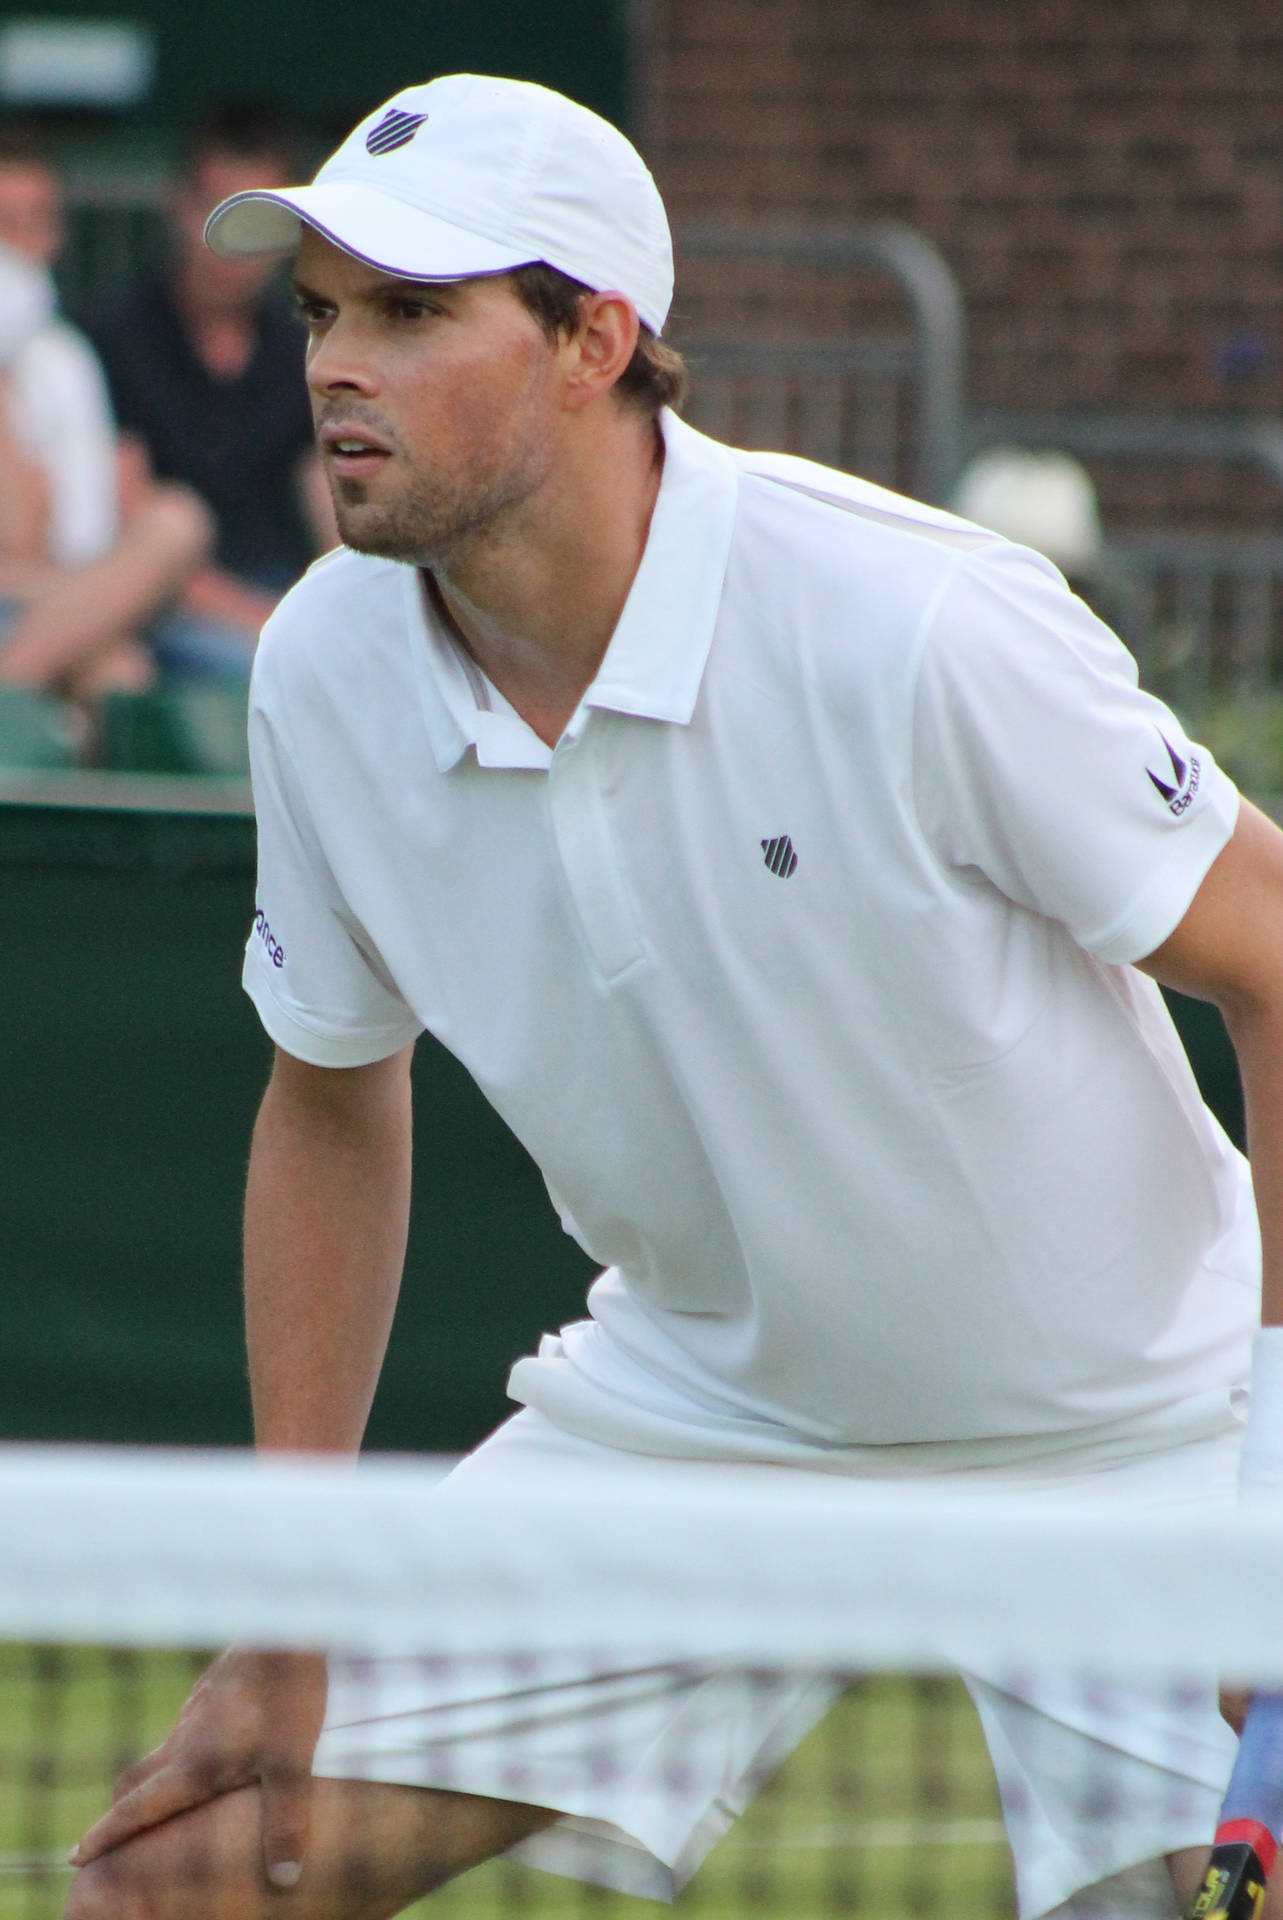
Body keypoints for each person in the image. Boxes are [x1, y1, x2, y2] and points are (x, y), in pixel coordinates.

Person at [62, 73, 1283, 1920]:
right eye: (321, 314)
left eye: (409, 311)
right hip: (701, 1421)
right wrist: (290, 1582)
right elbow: (328, 1089)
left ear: (594, 339)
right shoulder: (319, 669)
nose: (335, 367)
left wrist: (1272, 1507)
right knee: (183, 1887)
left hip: (1132, 1439)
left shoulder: (915, 624)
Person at [80, 102, 334, 682]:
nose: (233, 247)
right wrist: (270, 625)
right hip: (159, 610)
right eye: (217, 210)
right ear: (179, 205)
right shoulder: (114, 334)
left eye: (255, 221)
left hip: (276, 596)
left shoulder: (303, 349)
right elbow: (133, 527)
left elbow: (332, 507)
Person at [0, 126, 209, 701]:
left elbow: (83, 538)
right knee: (112, 669)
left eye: (32, 222)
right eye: (2, 223)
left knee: (174, 524)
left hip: (51, 597)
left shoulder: (67, 360)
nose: (16, 244)